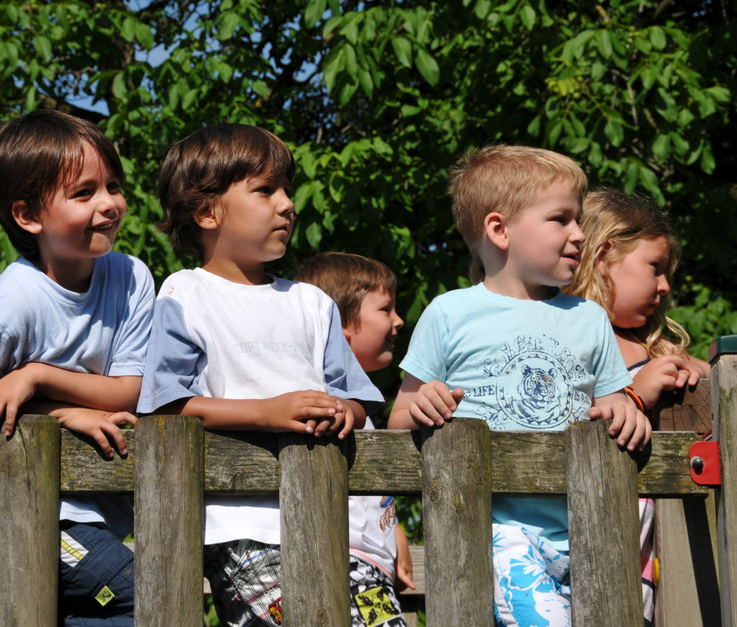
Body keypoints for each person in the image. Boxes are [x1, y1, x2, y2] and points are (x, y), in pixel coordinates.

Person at [387, 145, 651, 627]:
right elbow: (399, 417)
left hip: (590, 527)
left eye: (578, 219)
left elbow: (612, 403)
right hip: (493, 531)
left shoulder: (590, 318)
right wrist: (424, 403)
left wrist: (626, 412)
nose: (579, 233)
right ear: (499, 230)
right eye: (561, 219)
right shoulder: (450, 313)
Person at [138, 123, 383, 626]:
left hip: (326, 514)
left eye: (286, 190)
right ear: (207, 212)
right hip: (239, 527)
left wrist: (343, 413)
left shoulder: (312, 302)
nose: (288, 204)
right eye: (266, 190)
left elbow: (357, 399)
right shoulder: (185, 294)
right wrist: (267, 413)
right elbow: (165, 405)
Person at [0, 109, 152, 624]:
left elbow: (128, 391)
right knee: (147, 595)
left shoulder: (131, 277)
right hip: (27, 513)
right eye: (84, 193)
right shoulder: (9, 306)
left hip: (99, 514)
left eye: (113, 186)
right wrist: (59, 413)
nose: (109, 204)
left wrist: (37, 377)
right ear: (28, 216)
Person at [565, 188, 710, 625]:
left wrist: (701, 377)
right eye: (655, 267)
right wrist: (634, 391)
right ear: (603, 256)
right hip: (582, 538)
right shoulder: (565, 335)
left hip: (652, 550)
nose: (665, 286)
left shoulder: (654, 347)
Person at [295, 252, 414, 627]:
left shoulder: (356, 409)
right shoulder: (328, 406)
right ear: (340, 327)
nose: (398, 320)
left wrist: (393, 531)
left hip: (366, 568)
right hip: (350, 568)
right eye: (385, 309)